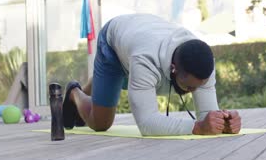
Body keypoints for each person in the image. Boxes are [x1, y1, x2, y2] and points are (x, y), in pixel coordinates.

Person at [63, 13, 241, 136]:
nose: (193, 91)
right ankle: (75, 93)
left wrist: (222, 122)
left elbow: (206, 116)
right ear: (173, 68)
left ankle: (104, 83)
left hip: (139, 37)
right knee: (100, 123)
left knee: (118, 82)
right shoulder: (145, 60)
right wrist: (198, 127)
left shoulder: (202, 62)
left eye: (198, 87)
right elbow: (147, 123)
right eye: (189, 87)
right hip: (114, 42)